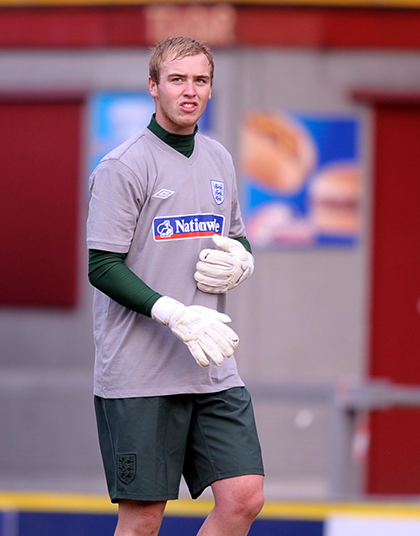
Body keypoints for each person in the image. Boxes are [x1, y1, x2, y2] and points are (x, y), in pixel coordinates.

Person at [86, 36, 265, 536]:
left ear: (211, 89)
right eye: (177, 79)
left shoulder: (220, 159)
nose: (189, 91)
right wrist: (173, 312)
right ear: (153, 87)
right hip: (140, 371)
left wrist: (243, 262)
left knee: (245, 497)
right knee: (143, 520)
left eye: (200, 81)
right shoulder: (123, 166)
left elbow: (236, 238)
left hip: (211, 367)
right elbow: (102, 265)